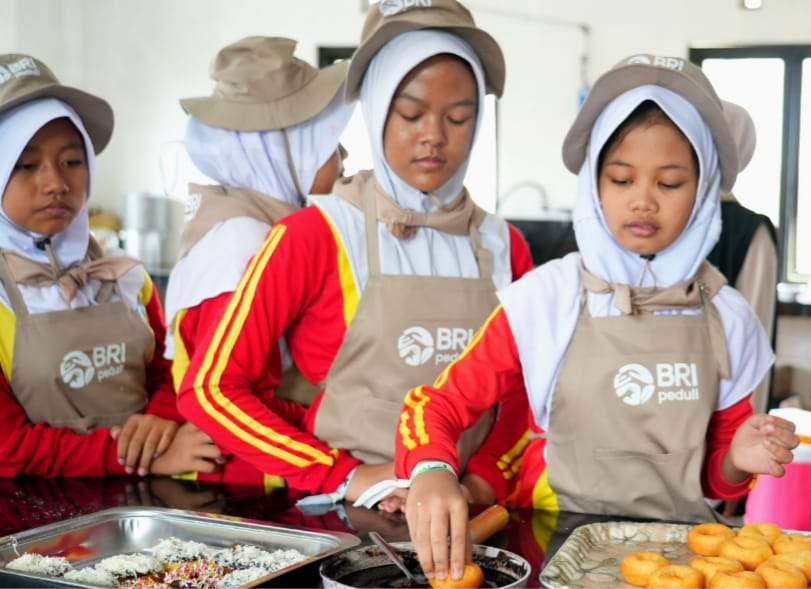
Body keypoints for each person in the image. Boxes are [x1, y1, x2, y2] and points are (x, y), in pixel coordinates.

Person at [395, 54, 800, 582]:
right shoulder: (547, 298)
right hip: (551, 545)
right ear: (594, 184)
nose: (644, 201)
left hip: (678, 559)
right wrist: (431, 469)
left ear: (703, 193)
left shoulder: (727, 315)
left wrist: (736, 460)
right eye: (622, 179)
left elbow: (713, 479)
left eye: (671, 183)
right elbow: (438, 404)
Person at [177, 0, 533, 507]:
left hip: (469, 511)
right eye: (410, 114)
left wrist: (482, 482)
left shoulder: (504, 245)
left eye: (459, 117)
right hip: (346, 516)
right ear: (375, 113)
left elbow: (526, 394)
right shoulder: (316, 234)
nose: (433, 135)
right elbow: (210, 389)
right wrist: (342, 475)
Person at [0, 54, 220, 478]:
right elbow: (9, 448)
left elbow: (170, 373)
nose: (55, 184)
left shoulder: (126, 278)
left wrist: (161, 417)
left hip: (144, 510)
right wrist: (144, 459)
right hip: (35, 522)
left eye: (72, 161)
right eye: (26, 165)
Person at [164, 37, 354, 485]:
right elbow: (233, 395)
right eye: (329, 145)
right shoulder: (243, 243)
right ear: (285, 152)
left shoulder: (239, 219)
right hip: (254, 484)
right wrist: (339, 415)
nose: (344, 159)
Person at [706, 100, 778, 415]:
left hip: (723, 420)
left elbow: (753, 337)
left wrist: (744, 430)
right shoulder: (656, 220)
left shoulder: (749, 231)